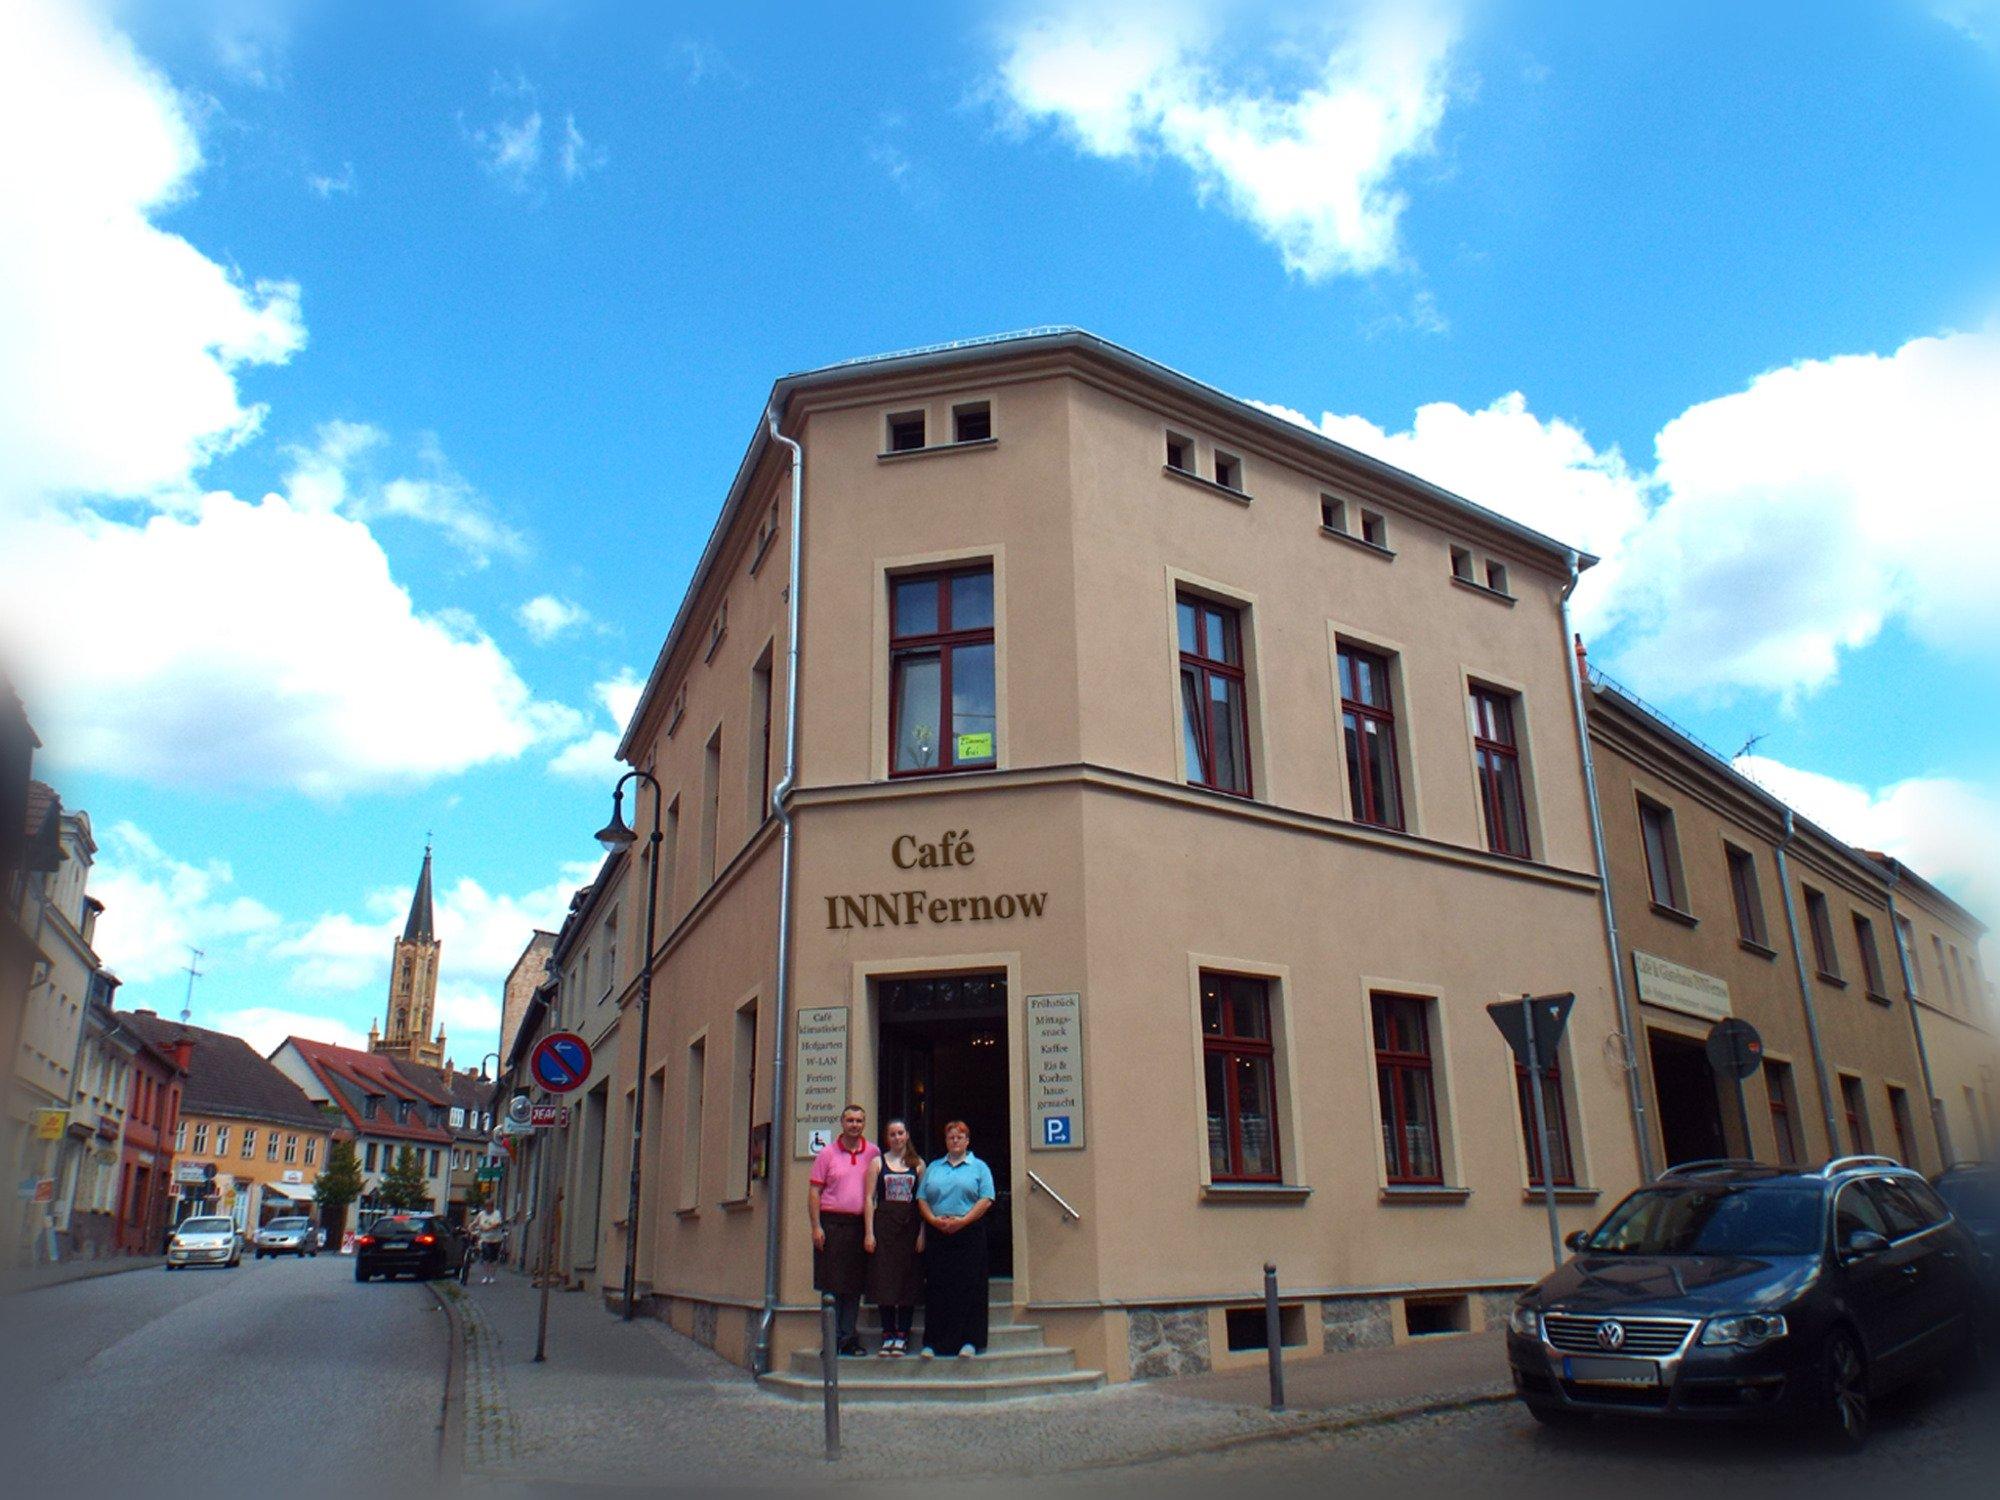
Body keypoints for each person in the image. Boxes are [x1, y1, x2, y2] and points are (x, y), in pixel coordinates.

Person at [916, 1119, 995, 1358]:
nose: (955, 1140)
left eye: (960, 1137)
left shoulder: (979, 1167)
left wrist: (963, 1221)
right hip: (939, 1233)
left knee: (969, 1287)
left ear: (967, 1141)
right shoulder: (934, 1167)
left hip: (968, 1233)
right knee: (938, 1287)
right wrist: (933, 1220)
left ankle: (970, 1341)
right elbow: (922, 1198)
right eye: (951, 1137)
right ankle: (934, 1343)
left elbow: (986, 1199)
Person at [808, 1104, 880, 1356]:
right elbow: (815, 1192)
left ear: (864, 1123)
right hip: (831, 1224)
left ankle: (848, 1338)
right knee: (831, 1287)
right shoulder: (827, 1154)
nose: (855, 1125)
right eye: (850, 1120)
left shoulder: (873, 1152)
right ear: (842, 1123)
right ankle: (830, 1342)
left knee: (853, 1287)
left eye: (859, 1121)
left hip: (859, 1225)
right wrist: (816, 1226)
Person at [862, 1119, 925, 1356]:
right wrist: (869, 1232)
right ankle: (888, 1332)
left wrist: (922, 1233)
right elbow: (869, 1198)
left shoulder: (918, 1164)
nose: (897, 1138)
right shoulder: (877, 1163)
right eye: (892, 1134)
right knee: (884, 1279)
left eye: (900, 1133)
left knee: (907, 1280)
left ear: (907, 1135)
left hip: (909, 1227)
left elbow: (923, 1201)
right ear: (886, 1138)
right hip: (885, 1227)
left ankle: (904, 1334)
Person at [471, 1198, 507, 1284]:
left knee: (494, 1259)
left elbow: (497, 1223)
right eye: (486, 1206)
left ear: (492, 1206)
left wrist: (488, 1228)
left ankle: (492, 1276)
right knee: (486, 1257)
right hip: (485, 1239)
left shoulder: (496, 1213)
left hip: (496, 1239)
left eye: (489, 1206)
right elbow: (476, 1222)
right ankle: (486, 1276)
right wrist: (471, 1226)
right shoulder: (481, 1214)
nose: (487, 1208)